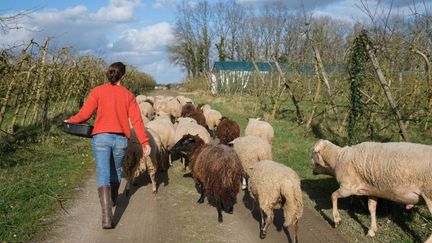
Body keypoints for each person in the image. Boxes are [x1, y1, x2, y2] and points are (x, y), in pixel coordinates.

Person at [66, 62, 151, 229]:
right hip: (120, 140)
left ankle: (106, 218)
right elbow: (137, 122)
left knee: (103, 174)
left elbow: (84, 114)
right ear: (123, 77)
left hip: (101, 138)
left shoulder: (97, 91)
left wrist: (70, 121)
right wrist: (145, 142)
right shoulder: (128, 95)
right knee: (116, 172)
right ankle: (112, 200)